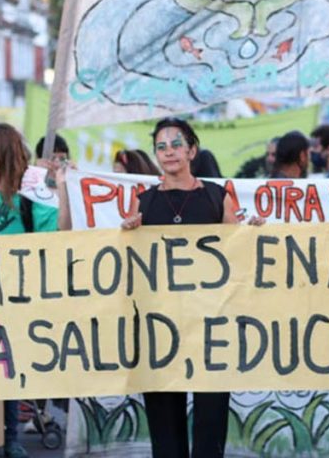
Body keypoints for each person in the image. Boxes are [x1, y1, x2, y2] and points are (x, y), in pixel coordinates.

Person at [121, 117, 262, 457]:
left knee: (210, 422)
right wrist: (127, 234)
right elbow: (131, 263)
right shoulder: (143, 202)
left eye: (176, 144)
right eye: (161, 146)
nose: (168, 152)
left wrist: (253, 234)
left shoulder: (217, 197)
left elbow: (237, 252)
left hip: (210, 328)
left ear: (191, 150)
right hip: (161, 329)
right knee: (164, 425)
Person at [0, 123, 70, 458]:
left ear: (0, 150)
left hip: (17, 292)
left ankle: (9, 437)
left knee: (6, 365)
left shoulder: (32, 191)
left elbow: (59, 234)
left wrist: (62, 189)